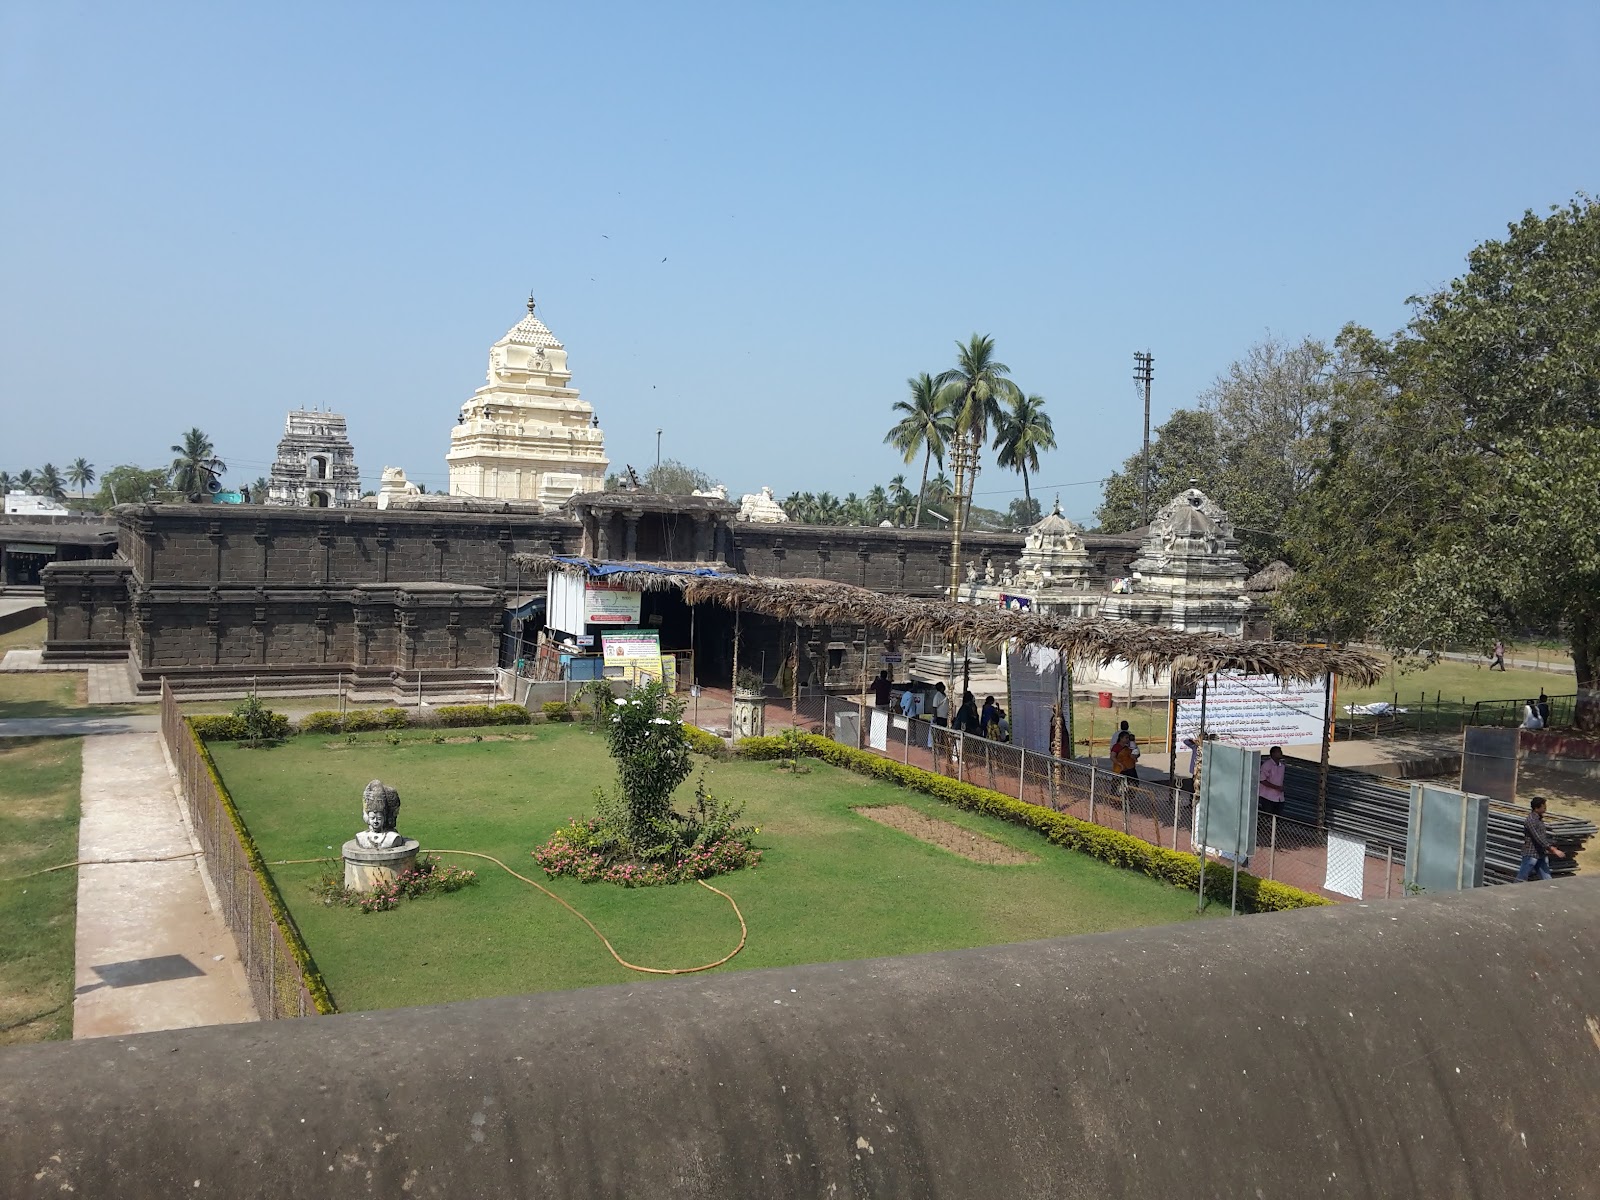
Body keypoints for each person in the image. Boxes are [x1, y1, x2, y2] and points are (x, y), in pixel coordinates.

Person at [1516, 796, 1566, 881]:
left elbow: (1542, 836)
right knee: (1521, 878)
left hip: (1541, 854)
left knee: (1547, 879)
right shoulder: (1531, 820)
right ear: (1536, 808)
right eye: (1543, 807)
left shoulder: (1539, 819)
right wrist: (1553, 849)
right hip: (1531, 854)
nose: (1545, 809)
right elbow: (1538, 838)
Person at [1258, 745, 1286, 816]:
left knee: (1277, 817)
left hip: (1279, 798)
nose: (1281, 753)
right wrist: (1276, 787)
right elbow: (1262, 780)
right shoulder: (1267, 765)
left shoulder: (1282, 766)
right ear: (1273, 754)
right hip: (1267, 797)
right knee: (1268, 817)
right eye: (1278, 752)